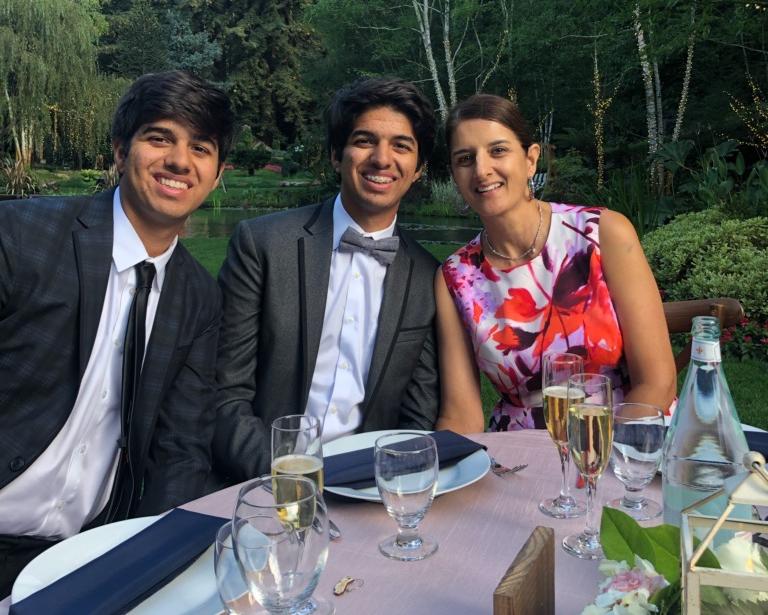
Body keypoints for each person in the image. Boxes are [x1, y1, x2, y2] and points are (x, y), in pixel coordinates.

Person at [0, 70, 235, 594]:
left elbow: (182, 447)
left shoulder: (198, 295)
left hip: (87, 552)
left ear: (218, 174)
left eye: (201, 147)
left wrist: (148, 563)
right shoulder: (20, 236)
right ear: (120, 149)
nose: (179, 161)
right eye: (160, 138)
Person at [211, 77, 440, 483]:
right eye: (365, 140)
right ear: (337, 155)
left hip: (368, 490)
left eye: (401, 146)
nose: (382, 159)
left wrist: (381, 487)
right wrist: (289, 481)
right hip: (262, 484)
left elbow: (417, 416)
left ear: (418, 169)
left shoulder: (428, 276)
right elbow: (225, 396)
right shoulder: (262, 244)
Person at [435, 94, 676, 433]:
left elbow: (657, 383)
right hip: (522, 457)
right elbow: (461, 415)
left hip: (627, 441)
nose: (482, 169)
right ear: (455, 175)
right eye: (465, 158)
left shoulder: (600, 234)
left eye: (498, 150)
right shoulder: (455, 277)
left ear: (531, 159)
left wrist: (593, 462)